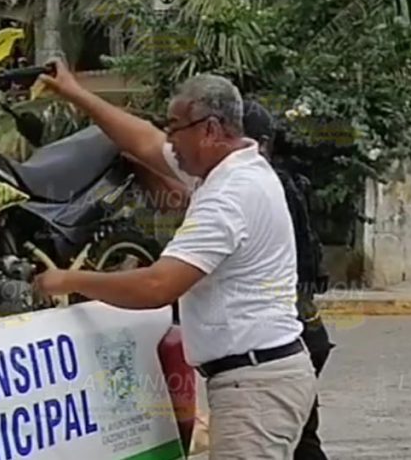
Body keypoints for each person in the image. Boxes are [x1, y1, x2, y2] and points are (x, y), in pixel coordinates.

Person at [33, 61, 317, 460]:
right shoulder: (233, 168)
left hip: (255, 388)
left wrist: (70, 280)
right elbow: (145, 142)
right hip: (262, 377)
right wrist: (75, 92)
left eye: (175, 127)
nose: (168, 138)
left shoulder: (227, 197)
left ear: (211, 129)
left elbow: (157, 286)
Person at [242, 99, 334, 460]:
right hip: (305, 330)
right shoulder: (275, 183)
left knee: (300, 440)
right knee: (302, 438)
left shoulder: (260, 186)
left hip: (286, 341)